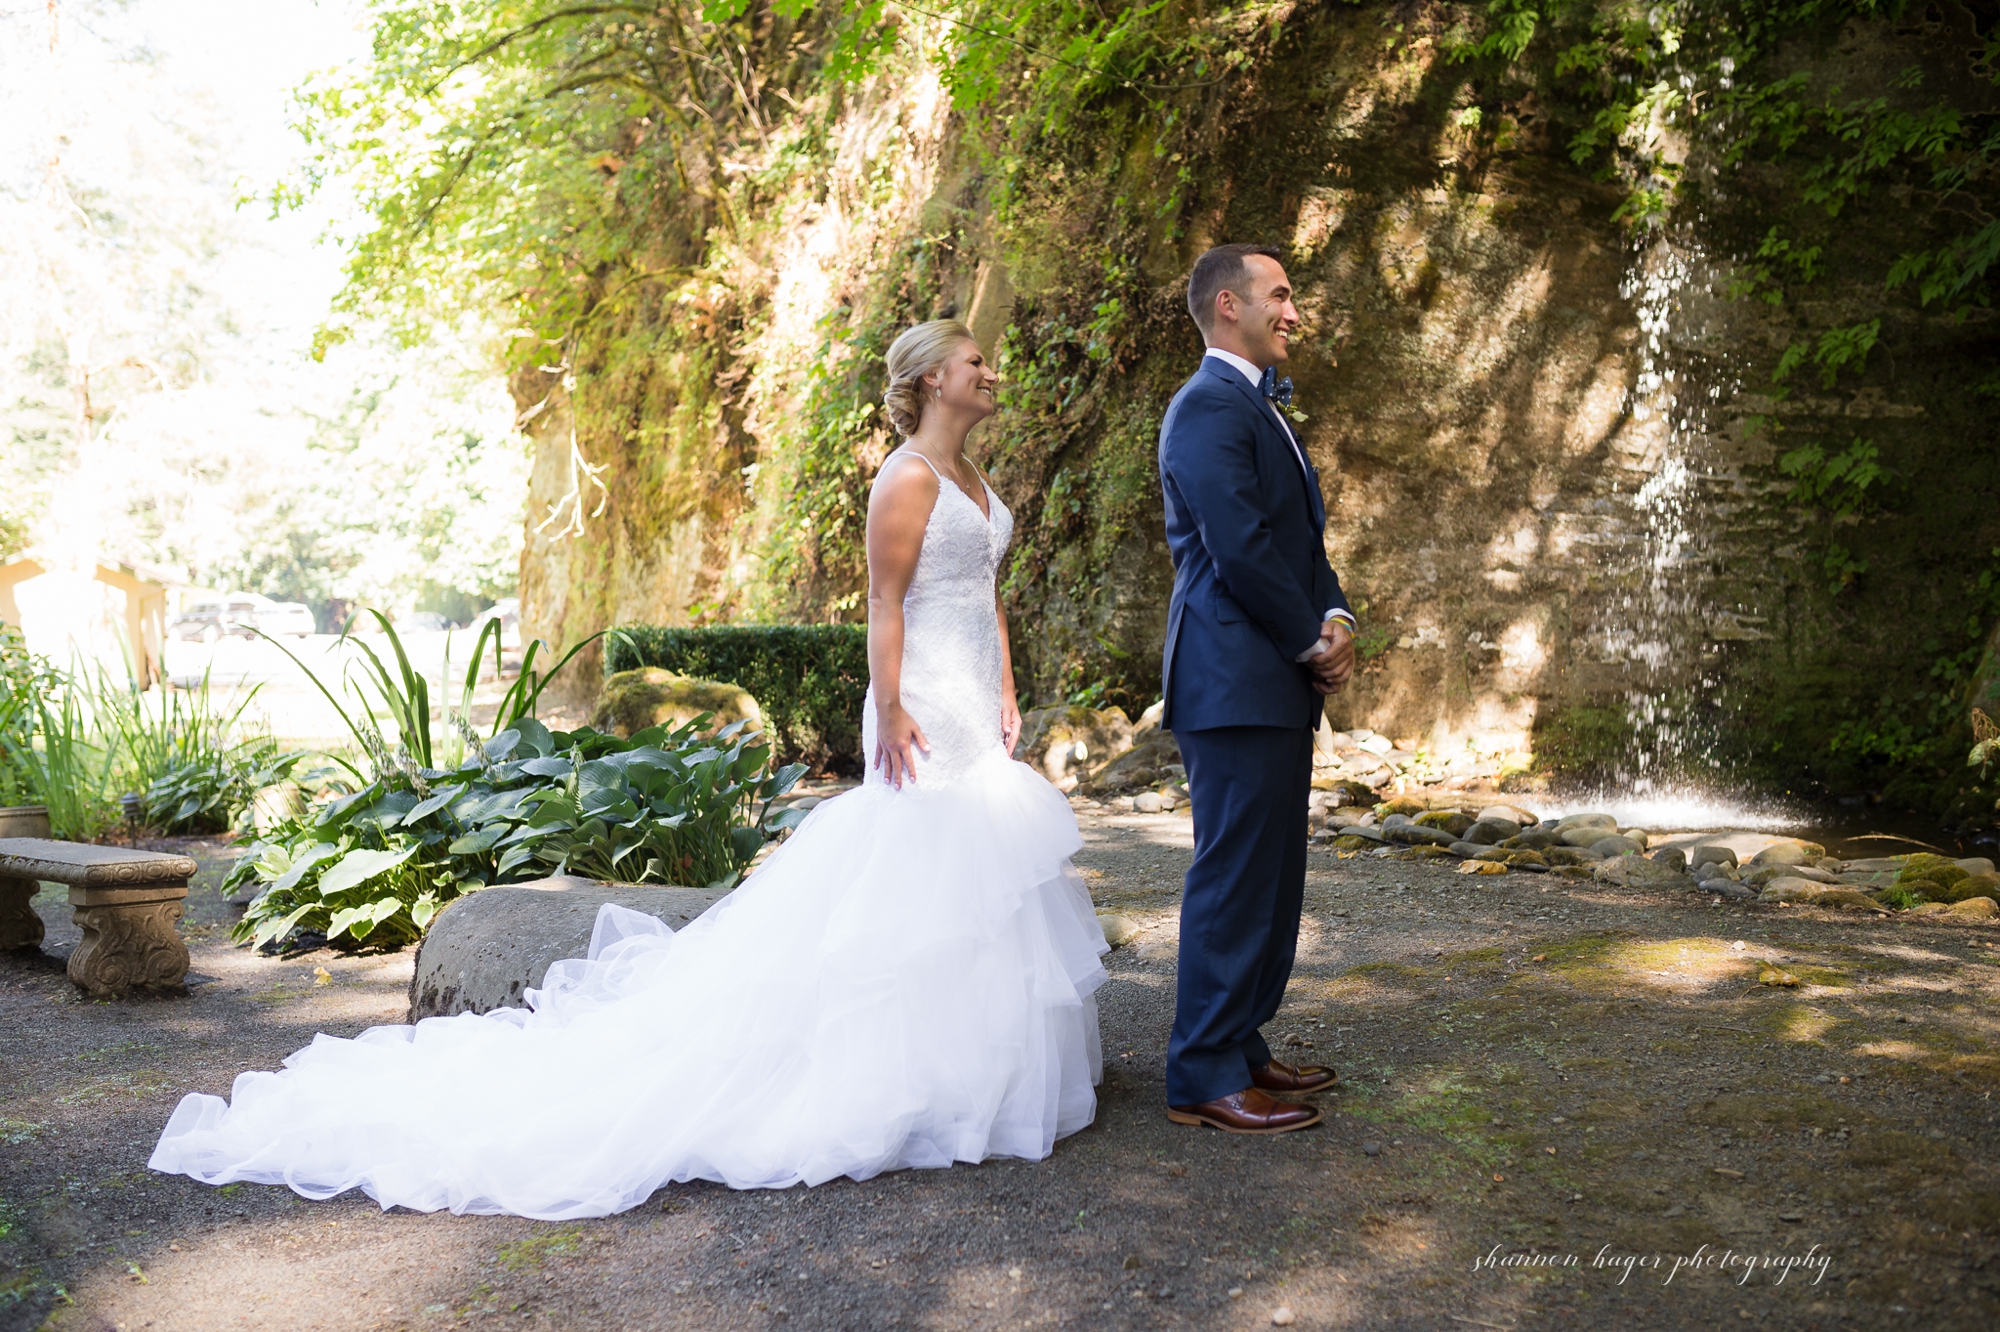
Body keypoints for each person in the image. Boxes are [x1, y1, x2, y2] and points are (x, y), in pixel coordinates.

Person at [148, 320, 1110, 1219]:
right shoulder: (906, 480)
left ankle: (972, 1072)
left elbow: (985, 595)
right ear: (934, 378)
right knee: (915, 873)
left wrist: (1010, 689)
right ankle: (900, 1076)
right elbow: (885, 604)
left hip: (977, 702)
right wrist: (891, 706)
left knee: (981, 876)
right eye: (974, 361)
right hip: (919, 706)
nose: (990, 372)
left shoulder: (973, 476)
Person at [1157, 243, 1357, 1135]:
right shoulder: (1205, 407)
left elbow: (1300, 545)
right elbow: (1238, 547)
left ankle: (1240, 1045)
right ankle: (1202, 1074)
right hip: (1232, 675)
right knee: (1235, 876)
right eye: (1281, 295)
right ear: (1229, 304)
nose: (1295, 312)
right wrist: (1306, 636)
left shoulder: (1258, 405)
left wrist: (1339, 615)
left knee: (1274, 876)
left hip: (1269, 675)